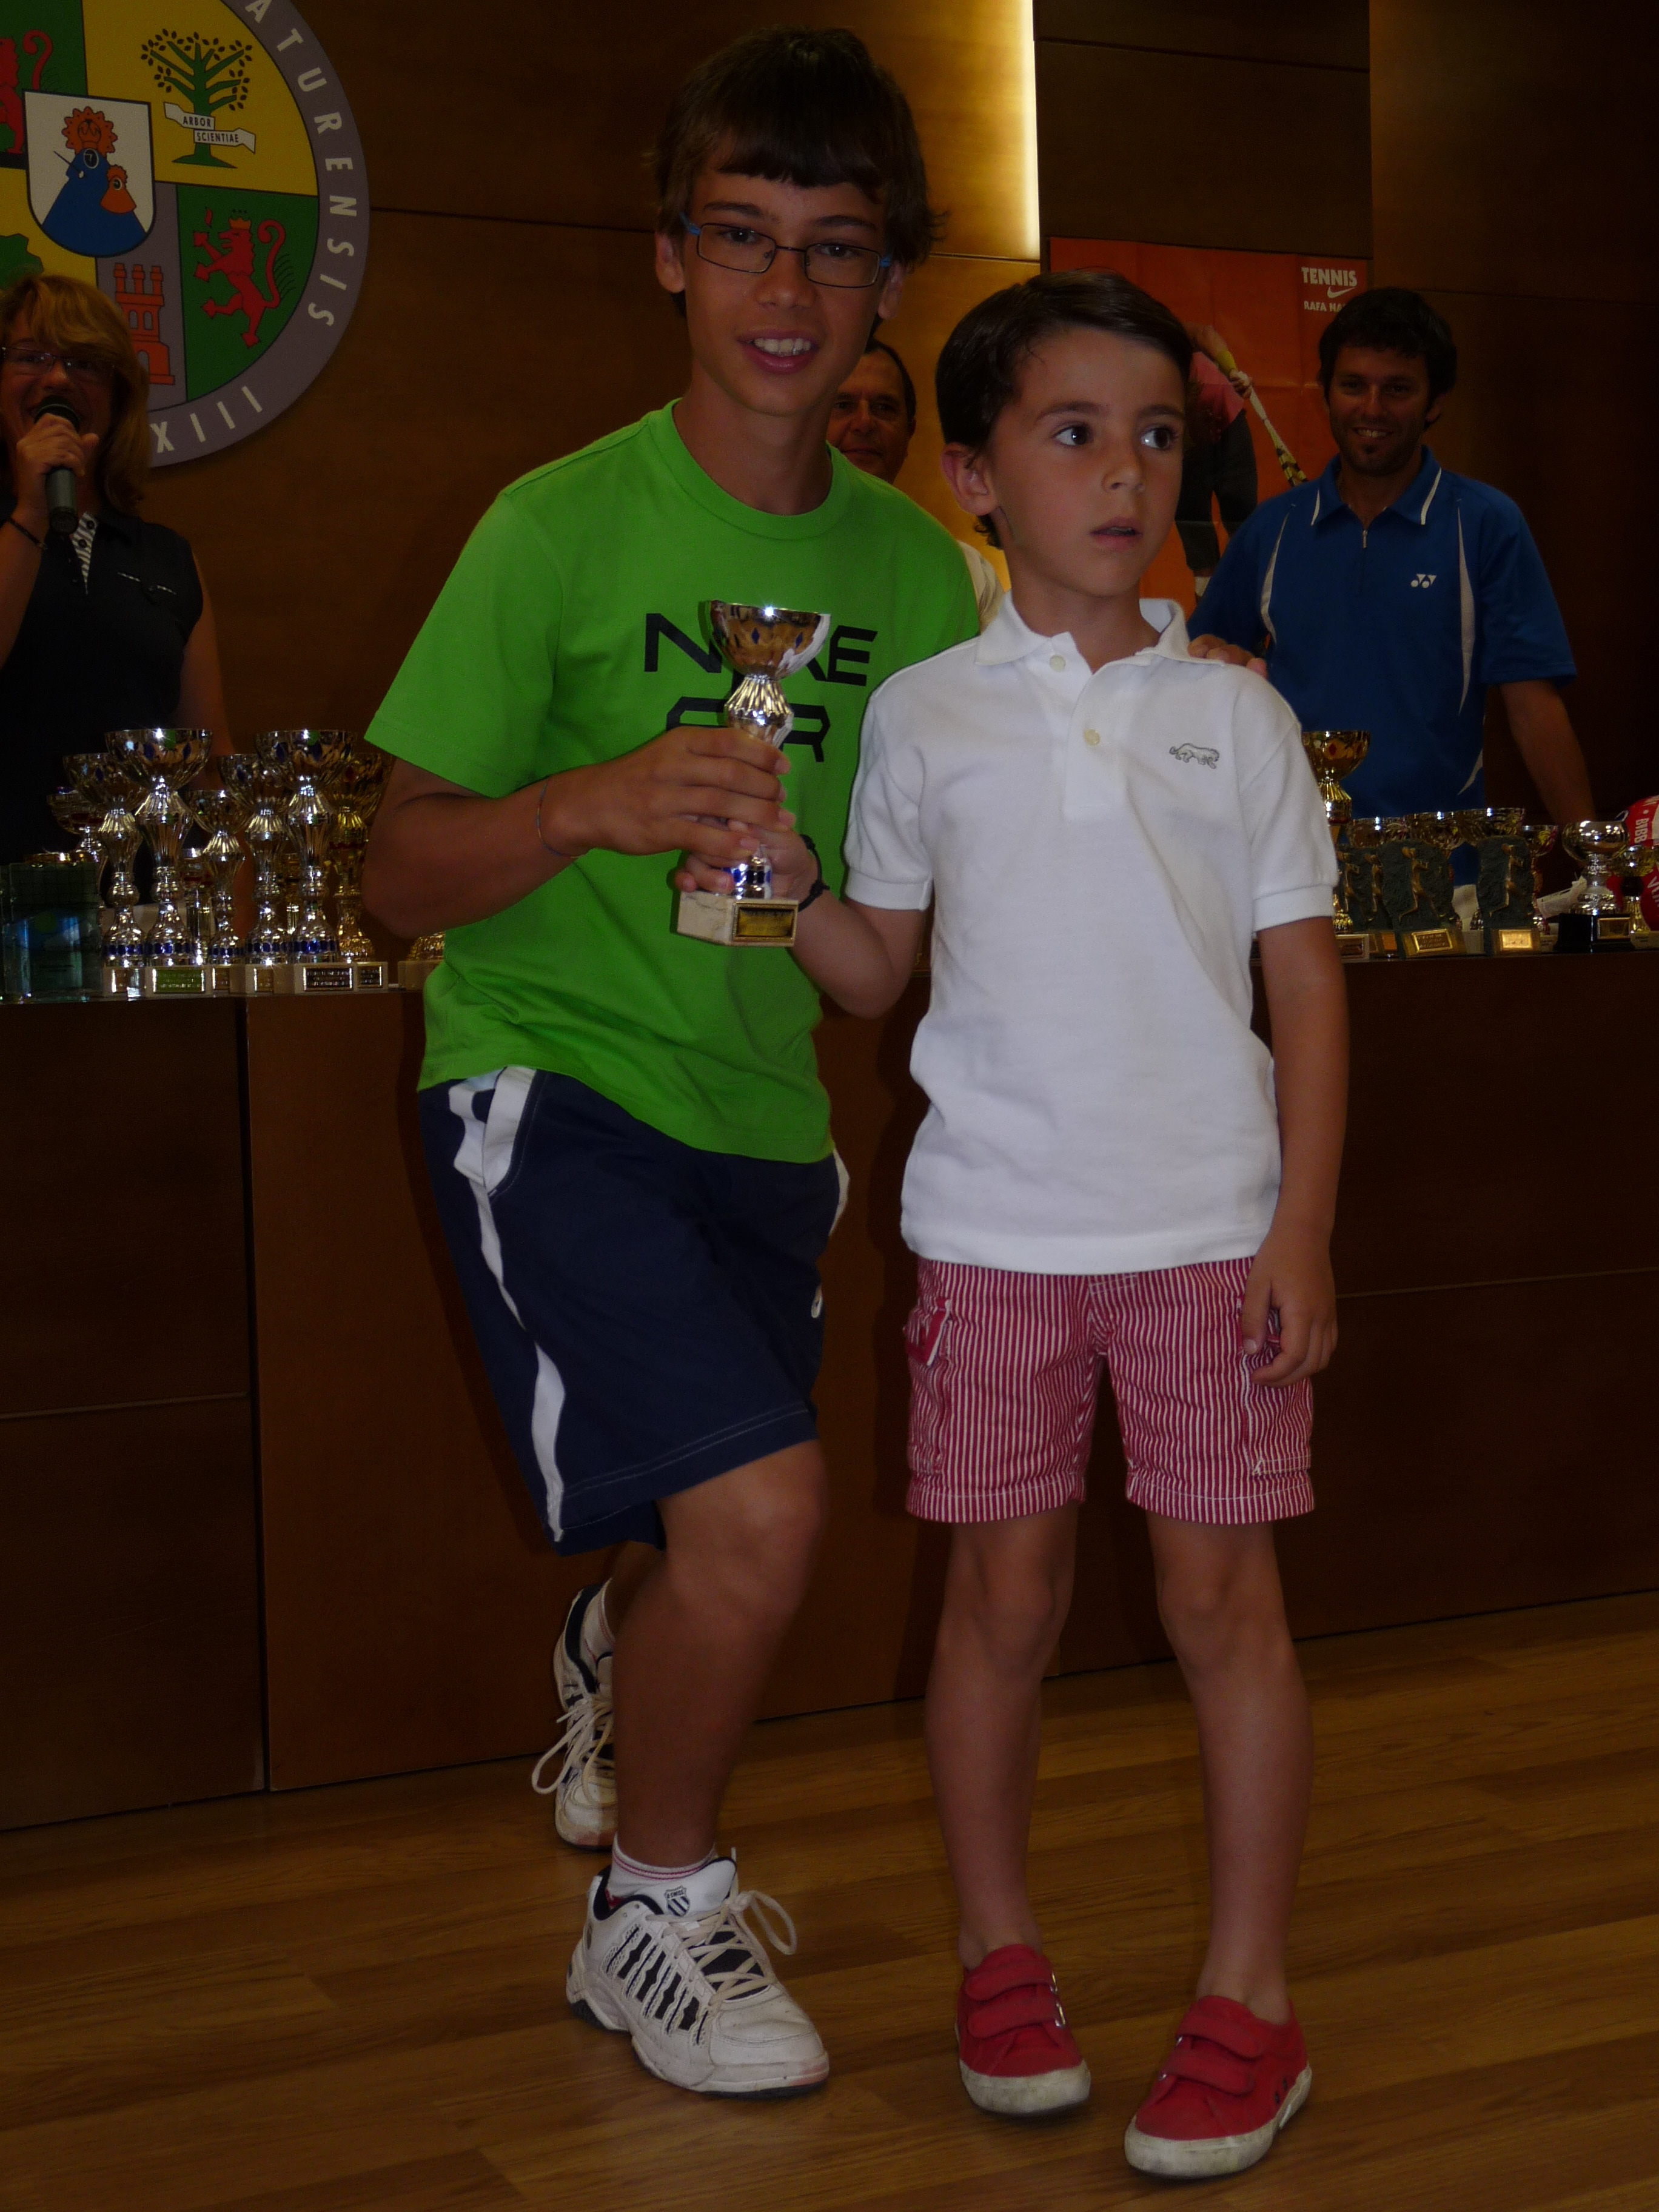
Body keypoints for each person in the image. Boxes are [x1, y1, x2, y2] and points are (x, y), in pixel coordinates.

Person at [361, 27, 977, 2102]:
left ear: (886, 281)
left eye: (833, 246)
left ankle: (617, 1650)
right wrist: (587, 803)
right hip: (547, 1080)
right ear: (668, 256)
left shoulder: (918, 579)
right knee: (767, 1512)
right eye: (740, 237)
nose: (784, 291)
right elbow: (396, 867)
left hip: (763, 1120)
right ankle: (655, 1904)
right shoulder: (554, 527)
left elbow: (889, 951)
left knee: (711, 1521)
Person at [680, 269, 1347, 2175]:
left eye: (1155, 436)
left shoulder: (1238, 715)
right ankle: (1000, 1953)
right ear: (974, 474)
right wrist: (777, 875)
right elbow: (875, 974)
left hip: (1212, 1241)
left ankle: (1252, 1997)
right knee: (1003, 1608)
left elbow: (1306, 990)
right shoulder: (922, 717)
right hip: (991, 1241)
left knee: (1225, 1611)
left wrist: (1302, 1227)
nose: (1123, 472)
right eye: (1073, 433)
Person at [1191, 287, 1592, 827]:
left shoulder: (1485, 524)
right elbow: (1201, 668)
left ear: (1435, 402)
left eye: (1398, 389)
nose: (1372, 409)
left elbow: (1533, 707)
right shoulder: (1273, 528)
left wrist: (1591, 853)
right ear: (1326, 393)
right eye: (1353, 385)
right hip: (1292, 858)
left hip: (1444, 864)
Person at [0, 271, 227, 860]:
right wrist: (31, 511)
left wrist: (235, 901)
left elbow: (206, 762)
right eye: (31, 357)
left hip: (143, 897)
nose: (57, 378)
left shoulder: (167, 556)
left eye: (85, 363)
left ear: (117, 397)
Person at [828, 332, 1003, 625]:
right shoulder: (758, 549)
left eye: (884, 408)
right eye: (843, 405)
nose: (864, 424)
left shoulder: (963, 574)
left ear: (909, 433)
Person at [1176, 323, 1258, 595]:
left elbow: (1205, 335)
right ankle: (1208, 614)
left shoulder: (1166, 335)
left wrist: (1232, 370)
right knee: (1197, 540)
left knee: (1242, 527)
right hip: (1184, 444)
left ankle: (1242, 606)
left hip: (1228, 423)